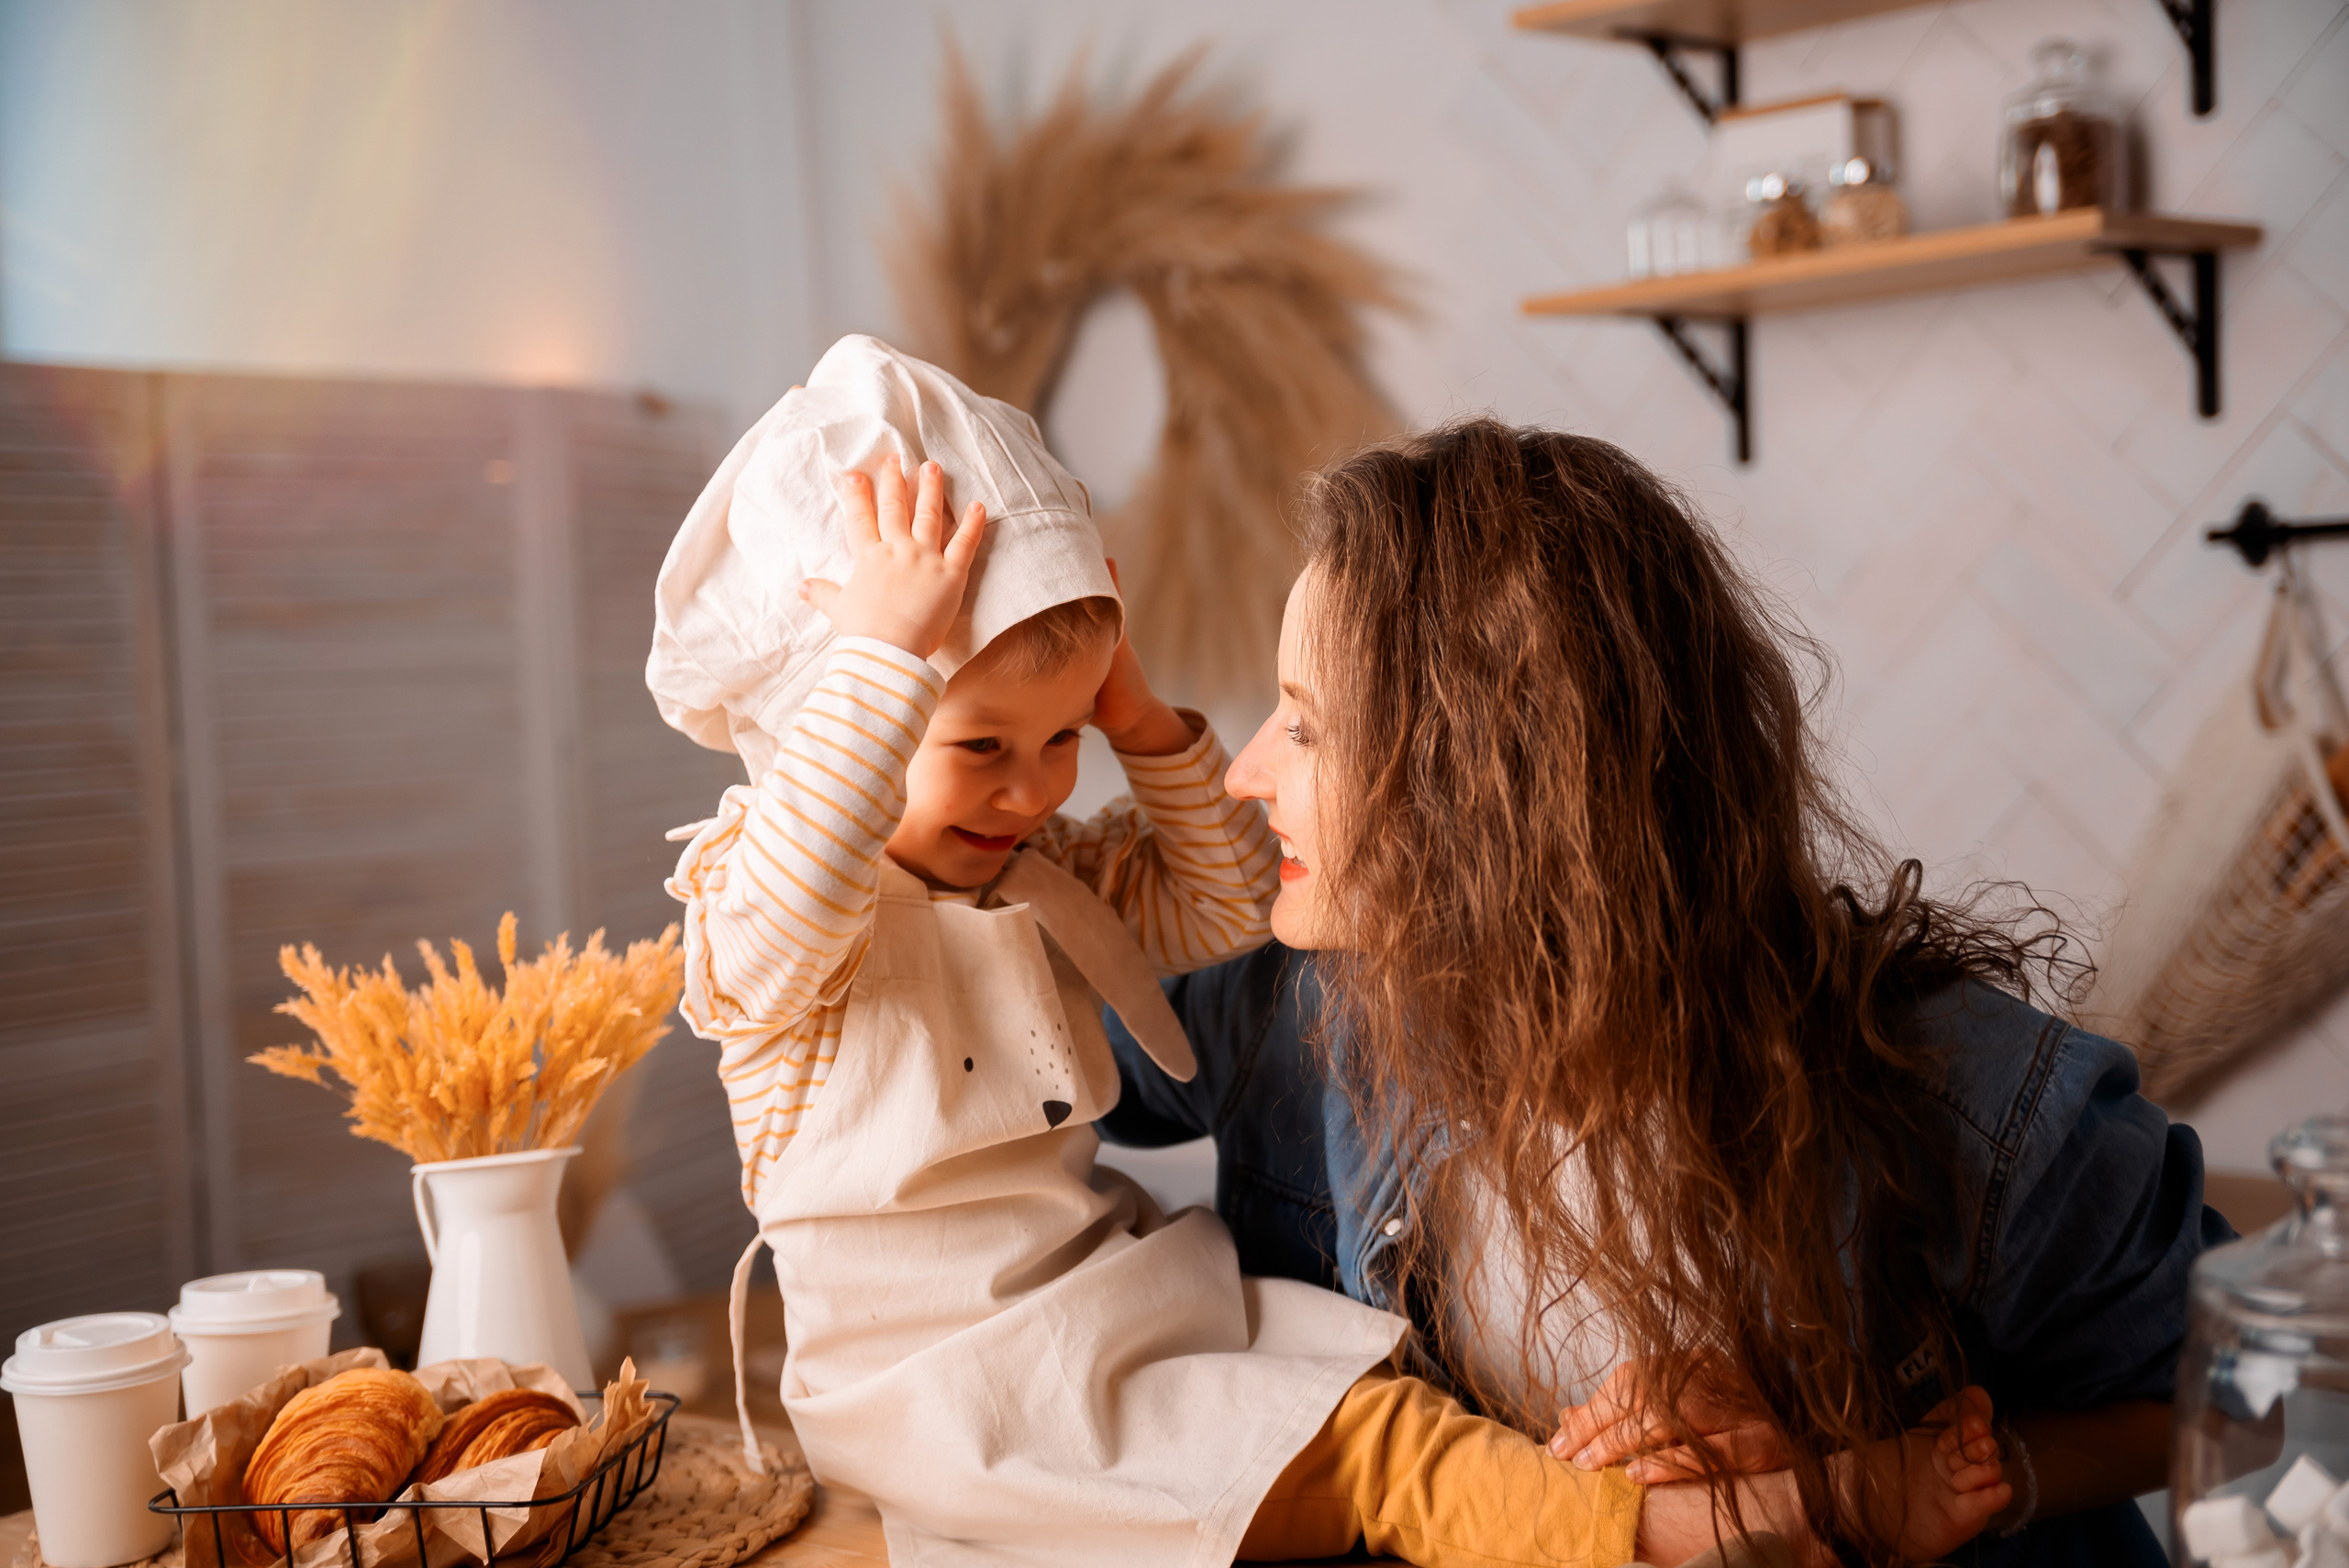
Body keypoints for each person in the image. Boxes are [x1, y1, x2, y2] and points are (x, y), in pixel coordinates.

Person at [649, 341, 2006, 1568]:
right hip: (955, 1388)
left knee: (1374, 1400)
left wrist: (1134, 713)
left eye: (1061, 738)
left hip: (1103, 1311)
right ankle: (1724, 1530)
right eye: (980, 745)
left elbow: (1231, 906)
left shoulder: (1037, 872)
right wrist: (881, 662)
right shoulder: (765, 920)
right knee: (1383, 1453)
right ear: (828, 716)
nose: (1035, 787)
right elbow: (796, 887)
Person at [1101, 417, 2234, 1566]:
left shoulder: (1965, 1103)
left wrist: (1874, 1465)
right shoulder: (1273, 1015)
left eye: (1305, 726)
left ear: (1491, 783)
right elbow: (1006, 1077)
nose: (1245, 772)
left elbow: (2248, 1391)